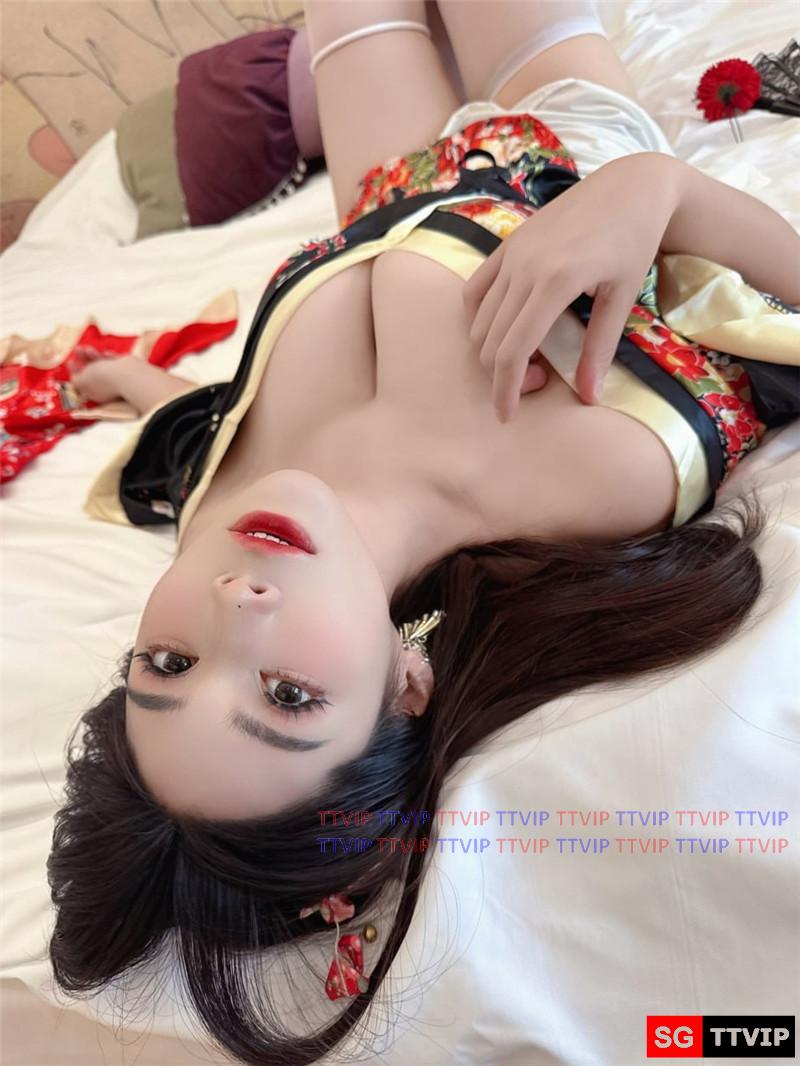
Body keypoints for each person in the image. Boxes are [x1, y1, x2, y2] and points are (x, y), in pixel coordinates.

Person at [50, 3, 799, 1064]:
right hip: (559, 139)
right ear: (407, 683)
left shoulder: (220, 529)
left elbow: (209, 432)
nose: (237, 609)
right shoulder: (593, 474)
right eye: (287, 696)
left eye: (169, 663)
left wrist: (142, 386)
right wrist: (658, 189)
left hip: (382, 193)